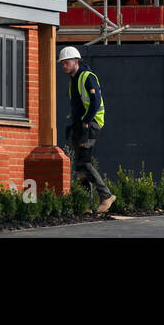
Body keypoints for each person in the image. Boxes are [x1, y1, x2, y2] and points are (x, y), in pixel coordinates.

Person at [59, 46, 115, 213]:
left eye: (66, 62)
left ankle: (106, 196)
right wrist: (73, 125)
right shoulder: (73, 80)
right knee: (79, 166)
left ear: (76, 61)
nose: (64, 66)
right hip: (80, 126)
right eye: (62, 64)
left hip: (91, 124)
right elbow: (76, 106)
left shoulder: (87, 77)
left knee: (84, 161)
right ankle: (86, 205)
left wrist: (86, 121)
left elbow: (95, 102)